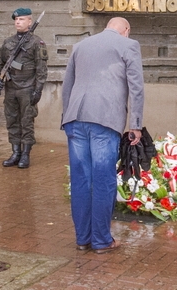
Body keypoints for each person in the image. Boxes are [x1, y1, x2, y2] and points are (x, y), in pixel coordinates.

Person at [61, 17, 144, 254]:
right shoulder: (129, 45)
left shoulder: (81, 45)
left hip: (75, 119)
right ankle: (101, 240)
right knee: (103, 180)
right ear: (125, 31)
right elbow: (136, 87)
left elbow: (68, 85)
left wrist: (66, 117)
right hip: (104, 120)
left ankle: (82, 239)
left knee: (80, 180)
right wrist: (135, 124)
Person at [0, 7, 48, 169]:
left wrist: (39, 89)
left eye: (22, 19)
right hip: (11, 88)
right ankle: (15, 152)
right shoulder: (8, 42)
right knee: (12, 120)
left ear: (30, 22)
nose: (18, 22)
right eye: (16, 20)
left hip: (27, 89)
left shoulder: (37, 43)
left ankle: (25, 154)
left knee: (26, 122)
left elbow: (41, 69)